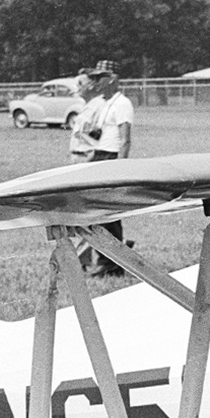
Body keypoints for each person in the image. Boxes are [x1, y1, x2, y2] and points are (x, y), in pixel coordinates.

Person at [80, 61, 133, 276]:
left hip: (111, 157)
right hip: (100, 155)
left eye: (100, 77)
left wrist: (119, 169)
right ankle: (107, 258)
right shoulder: (104, 103)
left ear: (112, 78)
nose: (96, 82)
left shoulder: (122, 104)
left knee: (108, 212)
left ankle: (112, 263)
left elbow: (125, 139)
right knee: (97, 212)